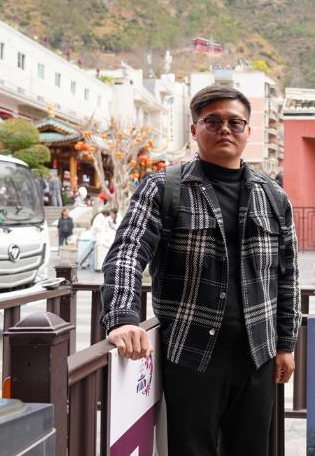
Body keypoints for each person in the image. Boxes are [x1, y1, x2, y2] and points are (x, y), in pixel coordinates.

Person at [100, 85, 300, 455]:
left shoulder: (273, 196)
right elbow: (127, 251)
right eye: (213, 121)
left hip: (258, 354)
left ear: (248, 131)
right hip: (191, 353)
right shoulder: (164, 188)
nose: (225, 129)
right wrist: (122, 317)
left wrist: (286, 344)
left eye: (235, 122)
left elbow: (287, 276)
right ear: (195, 130)